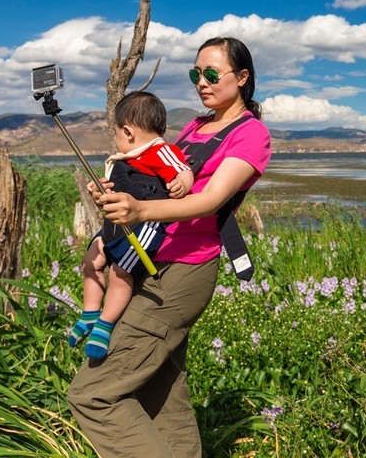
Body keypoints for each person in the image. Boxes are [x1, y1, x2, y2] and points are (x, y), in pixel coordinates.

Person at [68, 37, 271, 458]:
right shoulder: (197, 127)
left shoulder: (252, 135)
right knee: (161, 390)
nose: (202, 82)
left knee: (93, 395)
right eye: (196, 74)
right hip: (151, 261)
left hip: (183, 271)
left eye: (212, 74)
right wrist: (117, 192)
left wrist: (140, 210)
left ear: (243, 77)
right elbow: (161, 182)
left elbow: (211, 199)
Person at [68, 90, 194, 359]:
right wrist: (99, 190)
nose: (115, 141)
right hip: (115, 226)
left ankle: (105, 323)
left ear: (128, 132)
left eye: (115, 134)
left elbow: (183, 169)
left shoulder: (161, 151)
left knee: (120, 271)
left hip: (145, 227)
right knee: (91, 259)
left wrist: (183, 183)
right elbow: (113, 192)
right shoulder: (123, 160)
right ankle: (90, 312)